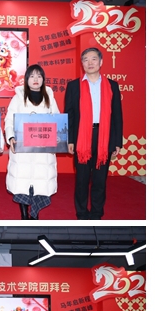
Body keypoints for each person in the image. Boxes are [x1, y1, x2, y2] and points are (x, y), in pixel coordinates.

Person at [64, 48, 123, 220]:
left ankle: (97, 213)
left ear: (101, 62)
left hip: (104, 138)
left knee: (100, 180)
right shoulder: (74, 86)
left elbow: (117, 116)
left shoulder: (112, 86)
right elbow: (69, 116)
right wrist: (70, 139)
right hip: (82, 138)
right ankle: (81, 213)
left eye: (94, 59)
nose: (90, 63)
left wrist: (117, 142)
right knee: (81, 180)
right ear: (82, 63)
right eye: (86, 59)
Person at [5, 64, 60, 220]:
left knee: (40, 182)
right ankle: (24, 215)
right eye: (32, 76)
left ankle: (35, 215)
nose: (36, 79)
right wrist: (11, 137)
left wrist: (57, 138)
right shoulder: (18, 98)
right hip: (22, 149)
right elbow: (9, 120)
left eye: (39, 76)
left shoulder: (49, 97)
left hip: (43, 151)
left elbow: (57, 120)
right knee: (22, 182)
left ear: (43, 79)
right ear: (26, 79)